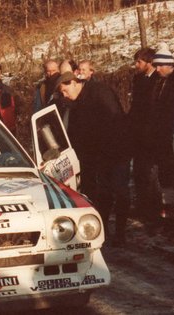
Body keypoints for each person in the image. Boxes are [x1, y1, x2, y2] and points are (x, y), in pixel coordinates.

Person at [55, 71, 131, 245]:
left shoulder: (99, 92)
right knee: (103, 193)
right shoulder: (75, 103)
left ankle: (121, 233)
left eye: (65, 91)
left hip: (118, 151)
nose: (65, 95)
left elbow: (115, 121)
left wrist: (103, 145)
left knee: (120, 191)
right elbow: (75, 132)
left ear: (74, 83)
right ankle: (104, 230)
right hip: (99, 155)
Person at [128, 47, 161, 229]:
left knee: (152, 175)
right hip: (138, 134)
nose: (136, 65)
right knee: (140, 172)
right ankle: (142, 207)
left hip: (151, 135)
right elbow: (136, 106)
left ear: (149, 62)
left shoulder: (158, 80)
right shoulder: (138, 79)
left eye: (139, 62)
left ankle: (154, 211)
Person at [152, 42, 174, 227]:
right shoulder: (160, 82)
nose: (157, 69)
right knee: (167, 174)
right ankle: (169, 211)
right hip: (164, 136)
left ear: (168, 64)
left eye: (160, 65)